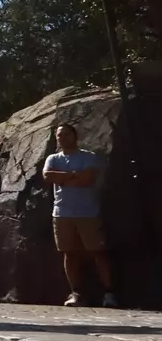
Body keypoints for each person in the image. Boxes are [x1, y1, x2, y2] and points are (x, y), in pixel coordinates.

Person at [43, 123, 118, 308]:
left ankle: (109, 293)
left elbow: (88, 179)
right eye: (59, 135)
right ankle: (76, 293)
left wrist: (64, 177)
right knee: (69, 253)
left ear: (75, 137)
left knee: (97, 252)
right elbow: (48, 176)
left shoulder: (88, 157)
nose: (62, 138)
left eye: (66, 134)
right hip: (61, 213)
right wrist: (74, 176)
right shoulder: (53, 158)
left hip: (88, 212)